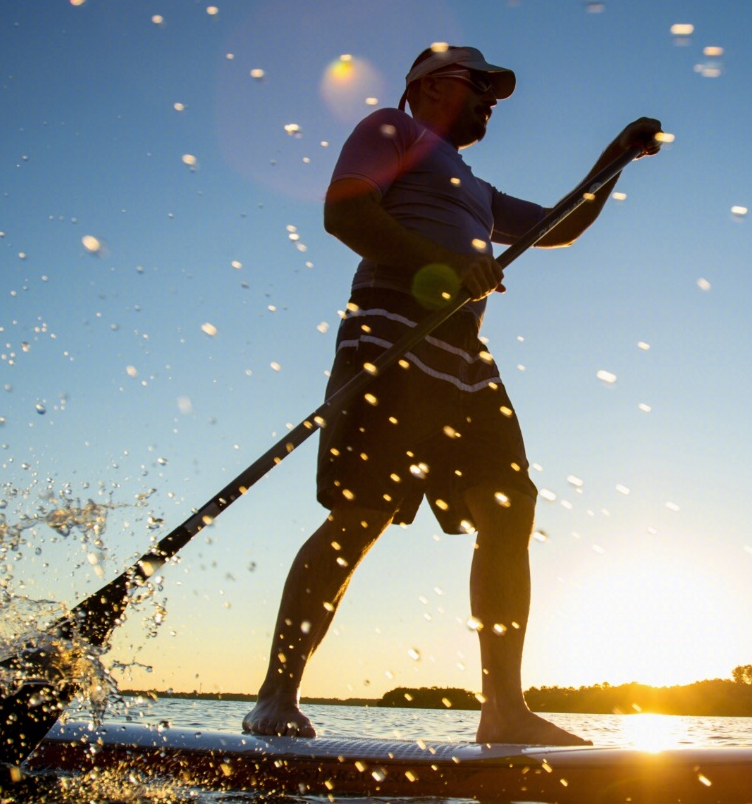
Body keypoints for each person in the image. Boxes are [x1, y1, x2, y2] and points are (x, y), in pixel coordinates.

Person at [243, 45, 661, 746]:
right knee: (363, 515)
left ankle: (502, 710)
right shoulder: (391, 130)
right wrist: (441, 262)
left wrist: (611, 159)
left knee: (509, 507)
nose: (492, 100)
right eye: (480, 86)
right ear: (432, 86)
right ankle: (273, 699)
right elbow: (344, 213)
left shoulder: (475, 187)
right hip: (389, 329)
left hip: (462, 355)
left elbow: (560, 225)